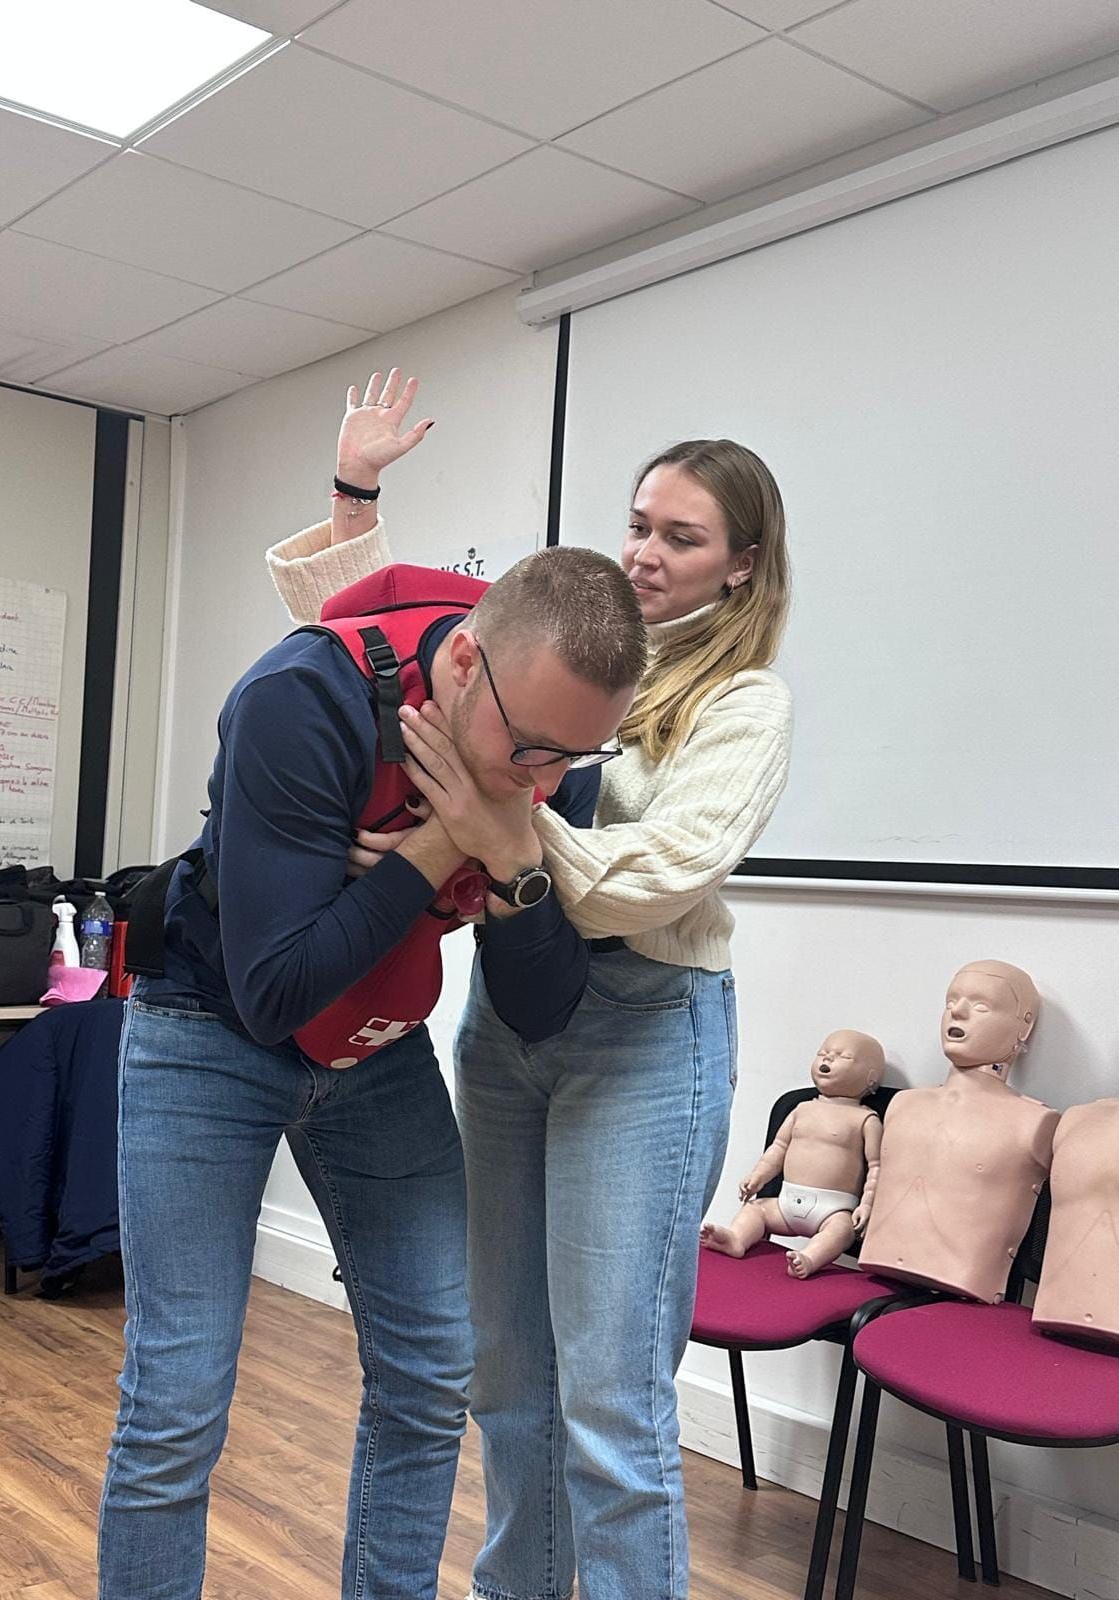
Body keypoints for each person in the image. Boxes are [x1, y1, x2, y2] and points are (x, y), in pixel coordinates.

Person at [267, 369, 794, 1600]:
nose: (647, 553)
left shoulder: (748, 704)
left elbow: (653, 876)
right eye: (639, 523)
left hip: (649, 1036)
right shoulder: (574, 660)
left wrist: (483, 813)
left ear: (741, 565)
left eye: (682, 536)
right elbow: (401, 644)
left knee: (609, 1408)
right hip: (511, 1022)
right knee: (506, 1383)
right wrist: (356, 494)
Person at [96, 511, 646, 1599]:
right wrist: (448, 846)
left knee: (433, 1371)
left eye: (572, 758)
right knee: (178, 1402)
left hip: (374, 1050)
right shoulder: (303, 699)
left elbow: (543, 1004)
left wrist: (516, 862)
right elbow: (273, 989)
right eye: (528, 749)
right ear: (458, 662)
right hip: (207, 1033)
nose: (543, 779)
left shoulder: (548, 749)